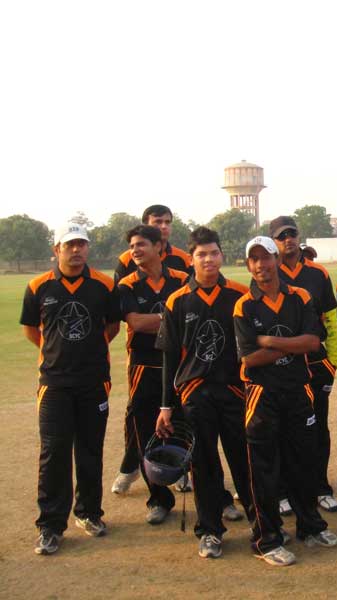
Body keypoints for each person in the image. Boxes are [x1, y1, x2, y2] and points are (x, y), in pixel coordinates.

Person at [234, 236, 337, 567]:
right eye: (254, 259)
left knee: (302, 462)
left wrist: (269, 340)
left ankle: (310, 526)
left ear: (277, 260)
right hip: (262, 394)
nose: (261, 265)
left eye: (266, 257)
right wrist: (292, 344)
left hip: (297, 389)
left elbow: (313, 342)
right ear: (248, 265)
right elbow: (250, 358)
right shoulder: (244, 305)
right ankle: (267, 539)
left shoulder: (300, 296)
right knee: (264, 469)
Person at [21, 223, 121, 555]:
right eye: (70, 245)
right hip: (54, 384)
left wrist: (89, 351)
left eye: (82, 244)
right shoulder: (38, 286)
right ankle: (50, 525)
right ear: (57, 250)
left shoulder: (104, 285)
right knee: (54, 453)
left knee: (90, 450)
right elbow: (31, 330)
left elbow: (112, 326)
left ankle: (89, 513)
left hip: (94, 381)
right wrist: (56, 353)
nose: (76, 250)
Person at [155, 227, 254, 559]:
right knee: (203, 464)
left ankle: (262, 523)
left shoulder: (240, 294)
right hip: (195, 394)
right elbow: (170, 357)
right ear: (191, 259)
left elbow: (249, 349)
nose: (208, 259)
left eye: (213, 253)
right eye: (201, 254)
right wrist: (166, 406)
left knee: (244, 459)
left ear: (222, 255)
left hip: (234, 391)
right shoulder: (178, 300)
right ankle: (210, 530)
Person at [112, 204, 193, 495]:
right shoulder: (127, 273)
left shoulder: (181, 270)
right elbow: (134, 321)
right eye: (158, 221)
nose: (164, 226)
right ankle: (137, 471)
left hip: (178, 358)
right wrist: (171, 318)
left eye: (167, 222)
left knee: (179, 416)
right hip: (143, 359)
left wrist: (166, 320)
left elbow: (191, 314)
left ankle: (180, 468)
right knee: (140, 418)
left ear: (158, 246)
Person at [270, 216, 337, 514]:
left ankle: (320, 487)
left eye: (292, 234)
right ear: (274, 241)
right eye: (281, 236)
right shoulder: (269, 271)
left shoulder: (317, 273)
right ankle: (284, 491)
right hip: (283, 365)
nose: (288, 239)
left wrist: (333, 362)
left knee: (318, 427)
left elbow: (331, 318)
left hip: (316, 363)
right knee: (283, 428)